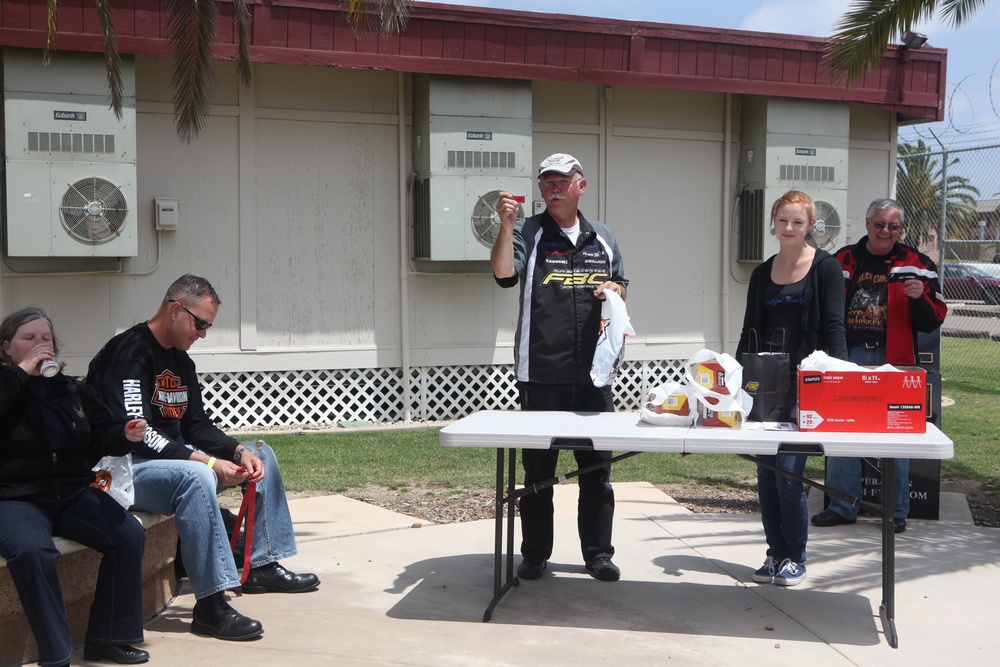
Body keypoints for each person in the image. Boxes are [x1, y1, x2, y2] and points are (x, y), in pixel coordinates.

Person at [87, 275, 319, 642]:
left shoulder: (181, 360)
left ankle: (260, 563)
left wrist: (238, 452)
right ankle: (210, 605)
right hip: (125, 469)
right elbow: (139, 434)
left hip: (170, 461)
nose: (203, 334)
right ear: (176, 310)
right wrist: (208, 463)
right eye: (201, 324)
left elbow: (195, 424)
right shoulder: (127, 353)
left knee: (262, 453)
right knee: (197, 477)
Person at [491, 153, 629, 582]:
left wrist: (614, 287)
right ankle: (534, 555)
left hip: (594, 377)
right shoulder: (529, 232)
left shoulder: (601, 235)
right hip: (542, 375)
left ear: (580, 186)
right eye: (546, 182)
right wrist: (506, 226)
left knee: (596, 473)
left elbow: (623, 282)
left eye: (562, 181)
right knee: (537, 474)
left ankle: (598, 555)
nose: (553, 188)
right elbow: (502, 274)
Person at [0, 307, 150, 667]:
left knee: (128, 534)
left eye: (46, 338)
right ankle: (57, 656)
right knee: (33, 552)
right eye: (29, 338)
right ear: (7, 347)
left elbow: (102, 433)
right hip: (15, 497)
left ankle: (109, 639)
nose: (41, 345)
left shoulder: (71, 390)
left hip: (70, 493)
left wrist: (124, 435)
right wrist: (20, 374)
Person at [811, 198, 947, 534]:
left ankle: (895, 511)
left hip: (895, 361)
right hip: (848, 355)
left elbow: (934, 320)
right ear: (868, 224)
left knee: (896, 435)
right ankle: (843, 506)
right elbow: (821, 307)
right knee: (842, 431)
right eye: (879, 224)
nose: (886, 231)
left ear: (900, 229)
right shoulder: (841, 260)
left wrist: (920, 298)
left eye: (893, 226)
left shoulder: (917, 264)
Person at [735, 191, 848, 587]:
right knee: (767, 475)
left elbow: (835, 326)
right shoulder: (762, 273)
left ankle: (796, 557)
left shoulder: (826, 268)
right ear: (773, 220)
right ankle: (775, 554)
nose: (789, 229)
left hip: (809, 389)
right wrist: (736, 382)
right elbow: (750, 329)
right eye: (783, 221)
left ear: (811, 226)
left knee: (789, 474)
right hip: (767, 390)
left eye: (797, 223)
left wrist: (838, 377)